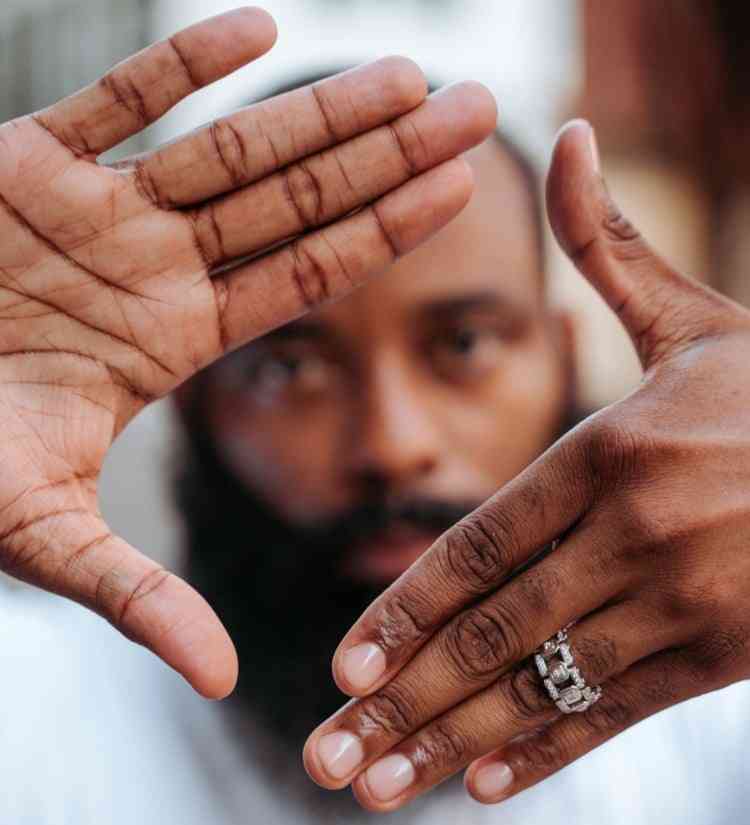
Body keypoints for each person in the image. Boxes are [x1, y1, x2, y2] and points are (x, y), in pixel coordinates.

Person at [0, 7, 749, 825]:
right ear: (191, 403)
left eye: (463, 343)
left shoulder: (712, 731)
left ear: (564, 358)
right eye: (293, 366)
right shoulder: (32, 707)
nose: (393, 444)